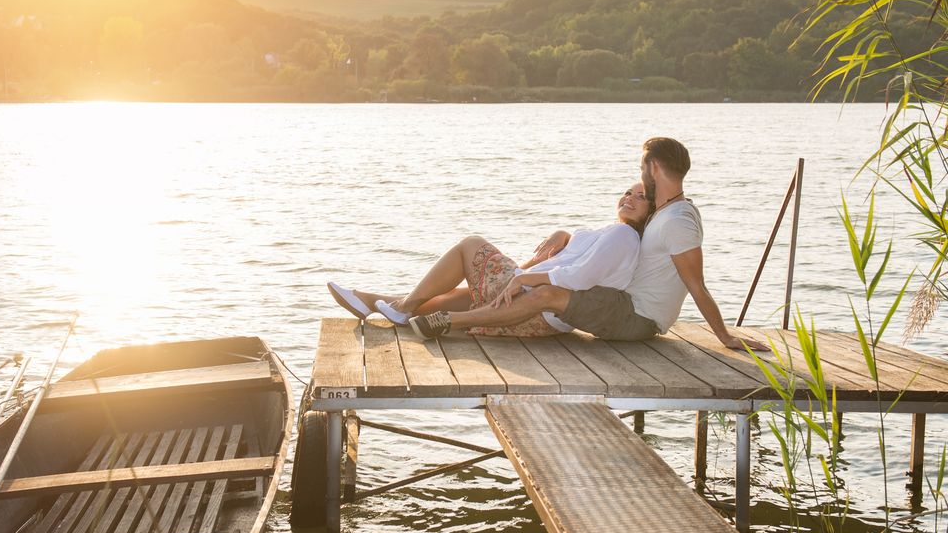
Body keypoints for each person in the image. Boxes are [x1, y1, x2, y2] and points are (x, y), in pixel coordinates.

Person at [403, 137, 769, 351]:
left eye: (642, 169)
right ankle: (404, 306)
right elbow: (612, 242)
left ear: (653, 167)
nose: (637, 180)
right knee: (537, 289)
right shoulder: (664, 210)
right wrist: (563, 235)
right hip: (624, 303)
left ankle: (448, 320)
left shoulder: (677, 221)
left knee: (548, 294)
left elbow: (696, 284)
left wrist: (725, 337)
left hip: (637, 315)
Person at [327, 182, 653, 339]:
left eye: (641, 197)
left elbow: (579, 277)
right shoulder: (613, 233)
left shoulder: (624, 236)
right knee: (464, 295)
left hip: (536, 304)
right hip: (541, 310)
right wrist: (565, 234)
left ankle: (399, 306)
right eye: (628, 192)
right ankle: (377, 303)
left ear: (650, 212)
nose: (630, 198)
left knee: (471, 245)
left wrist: (523, 278)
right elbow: (580, 260)